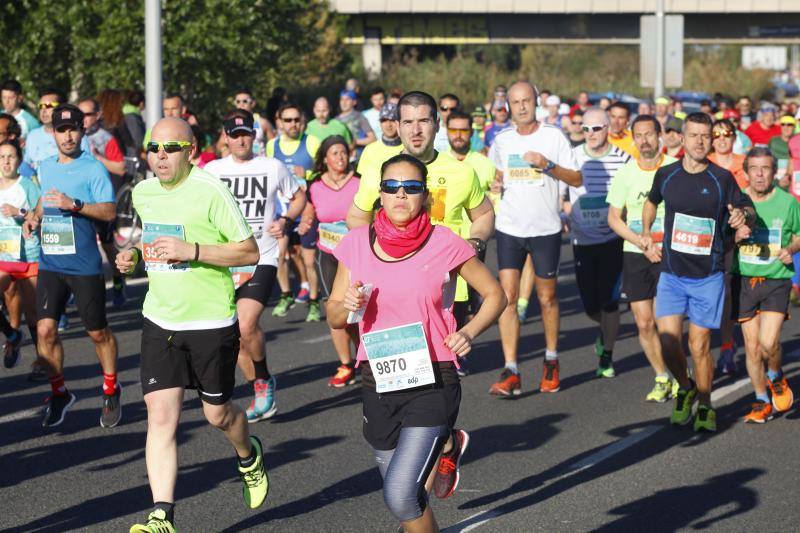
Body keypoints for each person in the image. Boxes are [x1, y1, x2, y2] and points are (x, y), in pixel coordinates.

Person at [327, 153, 505, 531]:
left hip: (435, 376)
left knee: (401, 494)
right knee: (408, 496)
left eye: (411, 187)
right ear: (380, 193)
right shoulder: (356, 243)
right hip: (379, 376)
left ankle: (445, 442)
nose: (401, 195)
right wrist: (347, 305)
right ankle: (449, 445)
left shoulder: (446, 242)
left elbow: (495, 295)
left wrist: (468, 332)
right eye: (392, 187)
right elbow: (333, 316)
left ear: (425, 194)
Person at [118, 117, 268, 533]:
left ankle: (247, 454)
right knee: (161, 420)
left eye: (171, 148)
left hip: (210, 322)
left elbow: (248, 252)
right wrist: (132, 255)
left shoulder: (210, 190)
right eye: (154, 148)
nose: (161, 156)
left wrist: (193, 250)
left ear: (190, 151)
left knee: (217, 415)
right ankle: (162, 515)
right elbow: (150, 238)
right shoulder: (144, 192)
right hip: (159, 319)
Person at [640, 112, 754, 433]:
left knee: (699, 345)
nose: (701, 142)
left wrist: (742, 216)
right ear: (683, 138)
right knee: (667, 343)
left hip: (708, 276)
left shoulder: (722, 178)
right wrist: (647, 229)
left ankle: (705, 404)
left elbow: (746, 208)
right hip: (673, 274)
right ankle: (686, 386)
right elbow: (651, 201)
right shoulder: (667, 175)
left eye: (706, 136)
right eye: (694, 136)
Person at [21, 104, 121, 428]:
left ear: (81, 130)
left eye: (73, 129)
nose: (67, 135)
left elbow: (108, 211)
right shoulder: (46, 166)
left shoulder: (93, 170)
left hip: (84, 266)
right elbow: (43, 200)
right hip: (51, 262)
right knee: (45, 330)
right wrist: (34, 217)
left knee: (97, 332)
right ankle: (59, 392)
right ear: (53, 133)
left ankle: (110, 386)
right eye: (61, 130)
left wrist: (74, 205)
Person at [205, 109, 306, 423]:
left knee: (246, 325)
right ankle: (260, 386)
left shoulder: (271, 166)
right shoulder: (212, 170)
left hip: (261, 255)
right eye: (234, 135)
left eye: (246, 133)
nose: (241, 140)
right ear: (225, 138)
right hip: (224, 259)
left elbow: (299, 197)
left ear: (254, 135)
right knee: (232, 334)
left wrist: (286, 220)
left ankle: (263, 381)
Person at [488, 81, 582, 396]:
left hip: (545, 228)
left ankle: (551, 359)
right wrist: (497, 183)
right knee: (508, 298)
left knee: (546, 298)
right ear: (508, 106)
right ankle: (511, 369)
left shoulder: (553, 136)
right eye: (515, 102)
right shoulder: (501, 140)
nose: (522, 107)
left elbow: (577, 177)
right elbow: (497, 175)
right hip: (510, 228)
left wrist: (548, 166)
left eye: (527, 100)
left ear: (536, 102)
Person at [607, 115, 679, 401]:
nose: (645, 140)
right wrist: (641, 242)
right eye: (639, 135)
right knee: (644, 323)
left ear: (659, 135)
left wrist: (662, 244)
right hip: (636, 252)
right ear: (633, 138)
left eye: (650, 134)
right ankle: (662, 376)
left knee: (665, 322)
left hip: (669, 253)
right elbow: (614, 217)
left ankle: (680, 372)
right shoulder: (626, 173)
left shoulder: (675, 168)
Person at [561, 108, 630, 378]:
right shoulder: (573, 157)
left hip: (612, 239)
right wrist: (564, 209)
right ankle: (605, 329)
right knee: (591, 305)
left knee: (611, 301)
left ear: (608, 128)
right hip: (582, 240)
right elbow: (562, 192)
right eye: (586, 129)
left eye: (596, 128)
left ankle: (608, 354)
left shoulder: (623, 159)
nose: (590, 134)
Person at [731, 147, 798, 423]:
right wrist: (735, 236)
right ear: (746, 172)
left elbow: (798, 234)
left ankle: (776, 375)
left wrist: (791, 248)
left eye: (766, 168)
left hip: (776, 279)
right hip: (745, 280)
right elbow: (724, 238)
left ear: (774, 171)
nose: (760, 174)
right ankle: (760, 400)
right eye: (754, 168)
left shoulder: (787, 202)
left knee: (769, 343)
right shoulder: (737, 201)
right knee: (752, 347)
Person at [303, 135, 361, 387]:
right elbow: (310, 208)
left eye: (343, 152)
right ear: (324, 159)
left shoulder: (359, 181)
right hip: (327, 253)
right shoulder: (314, 184)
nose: (340, 157)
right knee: (334, 309)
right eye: (334, 153)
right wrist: (306, 220)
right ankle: (346, 364)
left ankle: (366, 358)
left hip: (356, 253)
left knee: (359, 309)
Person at [267, 103, 322, 320]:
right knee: (280, 256)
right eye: (287, 120)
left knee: (308, 261)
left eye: (296, 120)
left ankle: (314, 301)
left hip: (307, 209)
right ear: (280, 122)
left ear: (303, 120)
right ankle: (286, 294)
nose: (293, 124)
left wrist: (307, 173)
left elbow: (324, 173)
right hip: (283, 211)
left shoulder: (312, 142)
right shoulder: (273, 145)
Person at [78, 97, 128, 308]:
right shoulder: (72, 136)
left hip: (101, 202)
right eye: (80, 114)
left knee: (107, 247)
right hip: (80, 202)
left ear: (97, 115)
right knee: (80, 248)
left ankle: (118, 284)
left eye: (87, 114)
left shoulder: (105, 138)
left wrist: (99, 158)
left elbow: (120, 168)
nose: (83, 119)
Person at [0, 140, 39, 369]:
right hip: (3, 256)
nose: (6, 161)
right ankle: (12, 335)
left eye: (11, 157)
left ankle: (42, 361)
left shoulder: (27, 185)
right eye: (2, 157)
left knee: (33, 314)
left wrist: (20, 212)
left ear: (19, 160)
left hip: (28, 255)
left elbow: (40, 213)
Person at [24, 88, 90, 170]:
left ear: (62, 108)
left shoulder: (78, 137)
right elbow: (26, 164)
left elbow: (86, 167)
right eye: (41, 106)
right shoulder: (32, 136)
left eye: (49, 106)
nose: (44, 110)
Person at [356, 103, 403, 182]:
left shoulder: (409, 150)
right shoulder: (369, 149)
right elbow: (362, 182)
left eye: (392, 120)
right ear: (380, 123)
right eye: (384, 120)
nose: (388, 125)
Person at [708, 119, 748, 189]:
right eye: (716, 134)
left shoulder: (746, 162)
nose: (722, 138)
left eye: (726, 134)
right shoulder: (705, 163)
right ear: (712, 141)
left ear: (734, 138)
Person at [337, 90, 375, 158]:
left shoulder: (359, 117)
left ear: (354, 102)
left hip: (357, 158)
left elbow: (372, 139)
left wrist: (355, 142)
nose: (344, 102)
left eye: (347, 99)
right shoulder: (335, 120)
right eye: (342, 99)